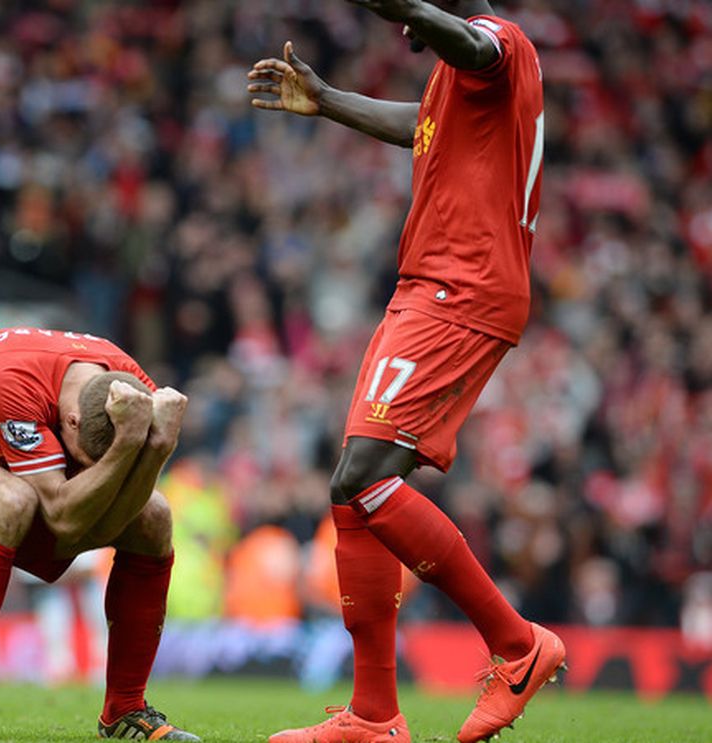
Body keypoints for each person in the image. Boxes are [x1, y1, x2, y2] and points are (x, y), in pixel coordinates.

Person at [247, 2, 564, 742]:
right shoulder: (458, 87)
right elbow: (419, 125)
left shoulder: (500, 45)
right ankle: (373, 715)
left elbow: (462, 35)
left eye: (410, 16)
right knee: (349, 491)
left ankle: (517, 643)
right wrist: (328, 100)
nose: (404, 33)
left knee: (364, 477)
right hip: (428, 288)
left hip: (462, 289)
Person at [0, 327, 199, 741]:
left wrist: (157, 447)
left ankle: (125, 711)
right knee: (9, 501)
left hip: (23, 480)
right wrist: (129, 450)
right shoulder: (11, 379)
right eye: (86, 460)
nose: (88, 468)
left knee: (155, 516)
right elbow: (65, 522)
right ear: (71, 420)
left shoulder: (134, 390)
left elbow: (116, 508)